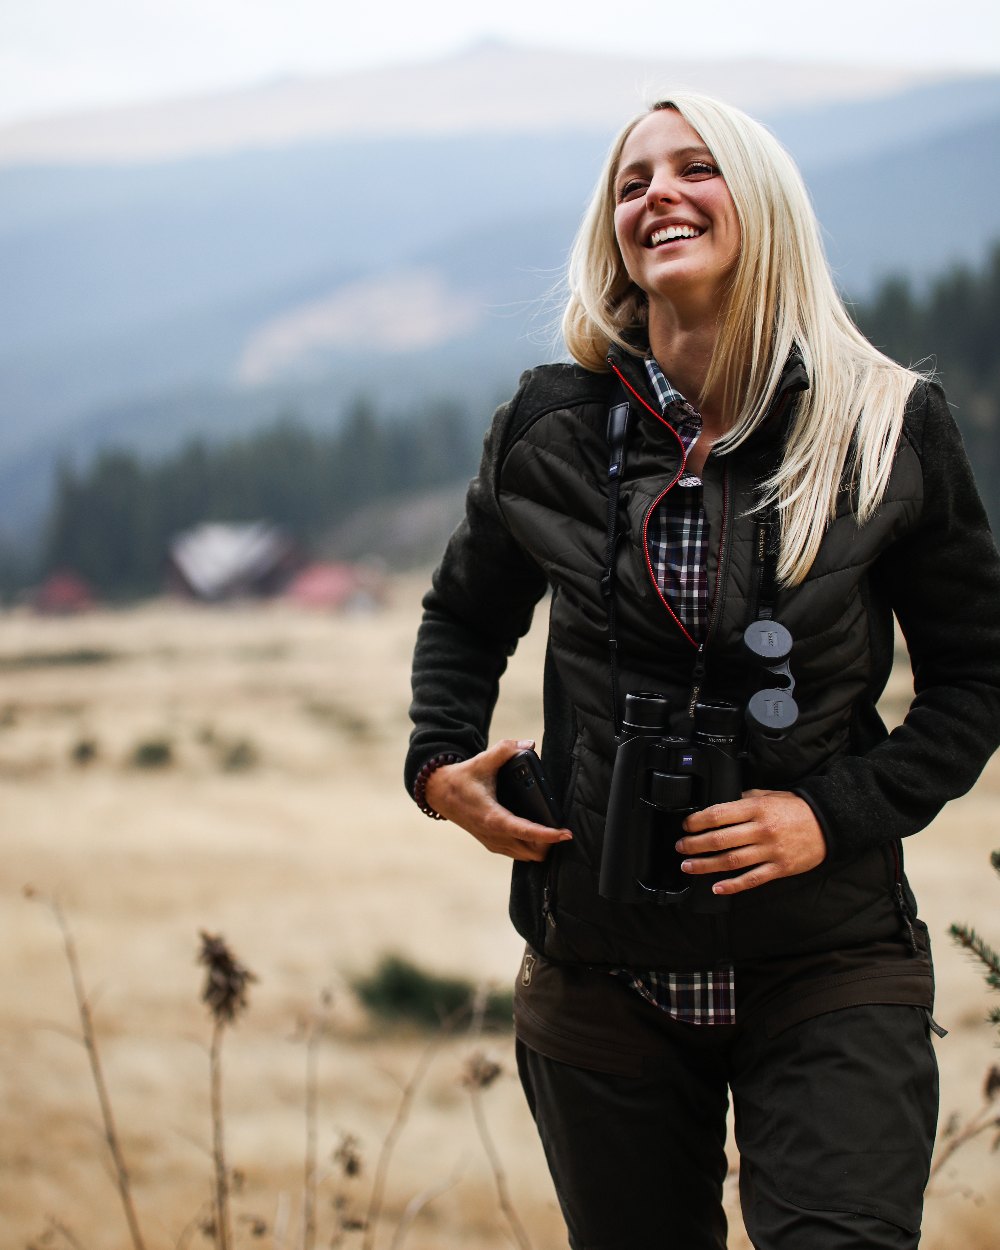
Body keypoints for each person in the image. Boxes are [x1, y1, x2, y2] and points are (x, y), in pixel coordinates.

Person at [405, 91, 1000, 1249]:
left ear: (761, 206)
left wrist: (829, 815)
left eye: (695, 168)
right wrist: (438, 766)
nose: (657, 195)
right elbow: (464, 617)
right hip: (599, 968)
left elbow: (977, 676)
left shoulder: (886, 422)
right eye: (632, 182)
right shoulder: (549, 426)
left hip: (828, 955)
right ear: (612, 233)